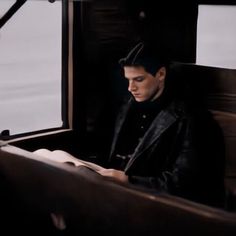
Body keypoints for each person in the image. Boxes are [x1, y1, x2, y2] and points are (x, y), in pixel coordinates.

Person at [35, 42, 225, 208]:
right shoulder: (128, 106)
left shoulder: (193, 119)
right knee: (46, 163)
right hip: (118, 190)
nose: (131, 87)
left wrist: (129, 180)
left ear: (161, 74)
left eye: (139, 80)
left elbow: (185, 185)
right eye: (128, 80)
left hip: (152, 200)